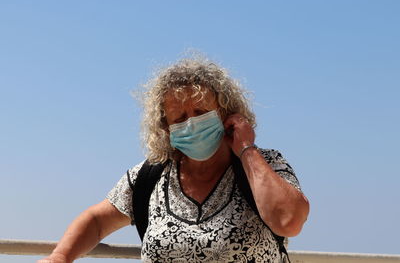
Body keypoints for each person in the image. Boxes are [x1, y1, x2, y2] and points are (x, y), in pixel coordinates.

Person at [38, 57, 310, 263]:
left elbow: (289, 221)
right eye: (179, 118)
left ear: (226, 113)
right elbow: (97, 221)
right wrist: (60, 257)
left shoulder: (264, 164)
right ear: (165, 128)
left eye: (201, 111)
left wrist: (247, 149)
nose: (191, 123)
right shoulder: (148, 178)